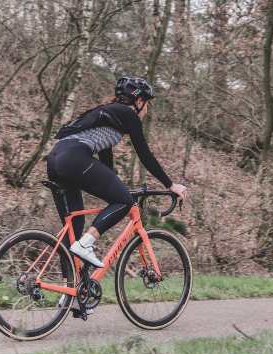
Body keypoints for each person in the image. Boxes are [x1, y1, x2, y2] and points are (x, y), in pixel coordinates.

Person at [46, 76, 187, 268]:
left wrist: (116, 186)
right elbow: (144, 155)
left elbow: (106, 161)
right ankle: (87, 244)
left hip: (55, 159)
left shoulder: (108, 115)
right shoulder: (128, 115)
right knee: (124, 202)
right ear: (138, 101)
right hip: (74, 157)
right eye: (147, 104)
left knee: (74, 226)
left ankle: (68, 292)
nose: (146, 109)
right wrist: (170, 185)